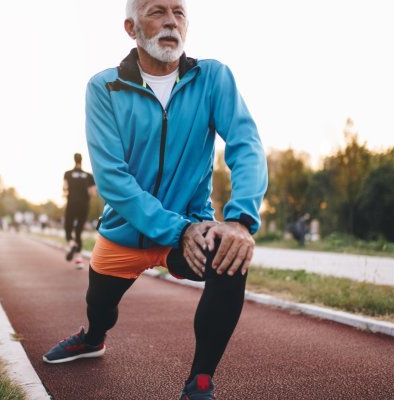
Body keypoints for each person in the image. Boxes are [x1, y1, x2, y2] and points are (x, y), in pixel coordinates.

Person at [43, 1, 267, 398]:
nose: (170, 21)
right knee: (100, 308)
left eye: (179, 13)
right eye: (157, 11)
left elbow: (246, 145)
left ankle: (200, 381)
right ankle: (93, 337)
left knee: (231, 255)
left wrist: (240, 220)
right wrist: (177, 229)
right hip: (126, 233)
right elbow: (113, 180)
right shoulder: (104, 87)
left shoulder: (213, 77)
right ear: (131, 27)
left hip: (193, 225)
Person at [63, 153, 97, 269]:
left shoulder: (68, 174)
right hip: (84, 206)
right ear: (82, 161)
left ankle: (72, 244)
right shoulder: (88, 176)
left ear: (74, 160)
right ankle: (79, 260)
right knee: (78, 232)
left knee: (68, 230)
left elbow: (64, 188)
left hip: (72, 204)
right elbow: (93, 193)